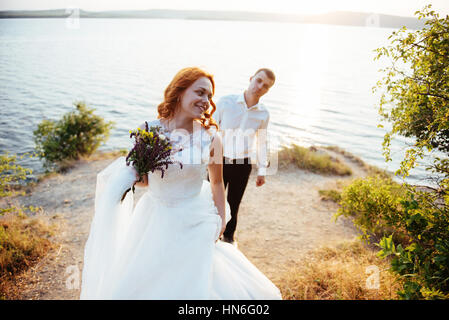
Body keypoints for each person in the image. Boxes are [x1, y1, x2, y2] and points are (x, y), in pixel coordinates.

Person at [80, 67, 282, 299]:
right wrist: (131, 177)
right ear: (179, 91)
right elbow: (145, 182)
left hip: (194, 220)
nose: (206, 100)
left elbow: (216, 183)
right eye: (200, 92)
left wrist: (221, 220)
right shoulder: (149, 130)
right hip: (154, 219)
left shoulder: (212, 138)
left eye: (209, 96)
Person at [214, 68, 275, 245]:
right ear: (251, 78)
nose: (260, 87)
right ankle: (208, 232)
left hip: (243, 165)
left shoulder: (263, 114)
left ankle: (228, 238)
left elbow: (262, 142)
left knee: (234, 204)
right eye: (259, 81)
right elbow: (210, 128)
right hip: (219, 160)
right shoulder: (226, 102)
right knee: (211, 200)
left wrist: (262, 170)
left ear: (267, 91)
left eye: (265, 86)